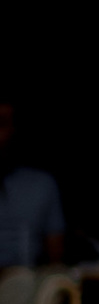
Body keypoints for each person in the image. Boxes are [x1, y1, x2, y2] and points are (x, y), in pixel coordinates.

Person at [0, 100, 65, 267]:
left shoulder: (41, 185)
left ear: (14, 129)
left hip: (25, 286)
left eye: (1, 123)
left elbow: (55, 262)